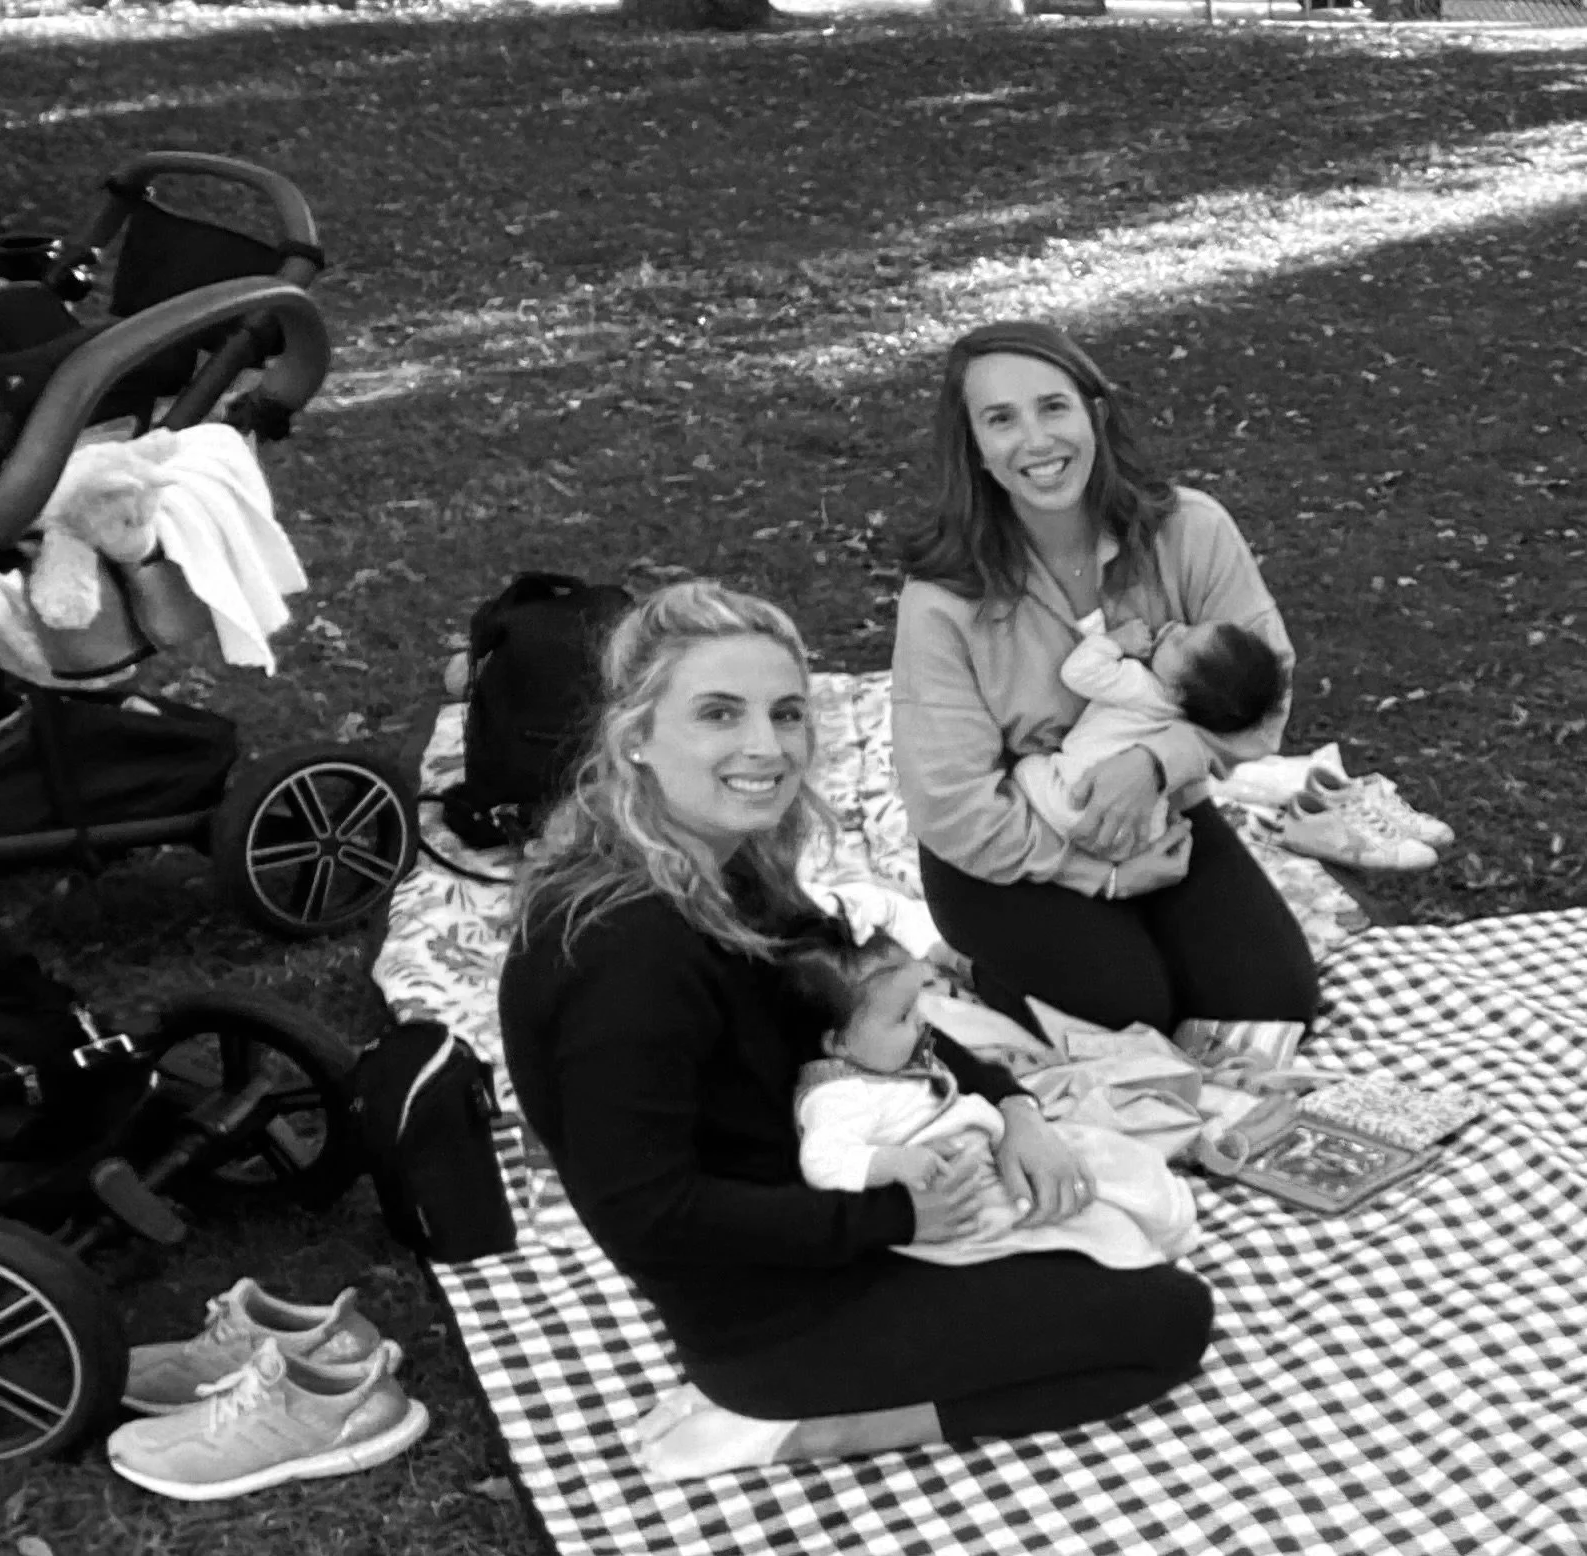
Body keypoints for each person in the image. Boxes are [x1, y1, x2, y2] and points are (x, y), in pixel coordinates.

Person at [499, 578, 1214, 1482]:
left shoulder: (722, 866)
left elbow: (865, 1010)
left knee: (1133, 1225)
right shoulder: (626, 951)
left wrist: (1014, 1108)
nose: (767, 747)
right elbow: (644, 1214)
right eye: (719, 714)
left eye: (787, 714)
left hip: (828, 1205)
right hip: (766, 1308)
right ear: (635, 736)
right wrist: (895, 1212)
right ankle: (814, 1427)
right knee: (1167, 1322)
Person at [891, 320, 1319, 1035]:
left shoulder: (1193, 531)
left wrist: (1157, 762)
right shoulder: (943, 600)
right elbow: (951, 805)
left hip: (1156, 812)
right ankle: (975, 963)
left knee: (1270, 1000)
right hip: (1009, 843)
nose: (1035, 440)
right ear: (975, 450)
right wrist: (1103, 876)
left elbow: (1263, 698)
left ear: (1095, 412)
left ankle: (1136, 939)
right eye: (1001, 419)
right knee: (1128, 1010)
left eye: (1053, 407)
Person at [790, 930, 1199, 1269]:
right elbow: (822, 1160)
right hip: (964, 1191)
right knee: (1089, 1223)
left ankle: (1172, 1224)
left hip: (990, 1146)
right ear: (837, 1044)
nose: (921, 1020)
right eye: (902, 1016)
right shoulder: (837, 1096)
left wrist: (1018, 1114)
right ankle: (1143, 1253)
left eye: (918, 1004)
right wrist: (892, 1163)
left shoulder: (889, 1053)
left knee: (1114, 1164)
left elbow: (962, 1066)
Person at [1012, 609, 1288, 858]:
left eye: (1181, 640)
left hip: (1073, 802)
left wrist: (1115, 641)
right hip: (1136, 834)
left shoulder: (1139, 685)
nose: (1177, 626)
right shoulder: (1188, 718)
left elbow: (1077, 673)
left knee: (1026, 767)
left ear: (1176, 690)